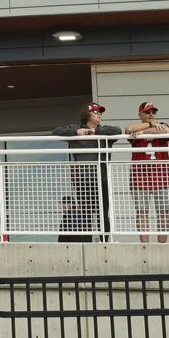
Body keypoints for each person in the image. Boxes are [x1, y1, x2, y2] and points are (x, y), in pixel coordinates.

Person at [58, 103, 119, 241]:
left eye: (100, 112)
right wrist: (77, 133)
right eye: (96, 112)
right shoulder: (76, 129)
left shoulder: (104, 130)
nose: (99, 115)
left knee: (103, 213)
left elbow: (117, 130)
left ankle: (104, 243)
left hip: (102, 178)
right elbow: (57, 131)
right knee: (86, 214)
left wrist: (95, 133)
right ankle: (87, 243)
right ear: (87, 114)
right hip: (83, 180)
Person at [126, 103, 169, 243]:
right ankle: (145, 246)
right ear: (140, 114)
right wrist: (149, 125)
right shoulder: (137, 127)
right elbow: (129, 129)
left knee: (163, 212)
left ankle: (162, 245)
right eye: (147, 112)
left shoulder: (161, 126)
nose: (151, 114)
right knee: (142, 212)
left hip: (162, 177)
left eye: (153, 112)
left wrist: (143, 132)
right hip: (140, 177)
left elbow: (166, 131)